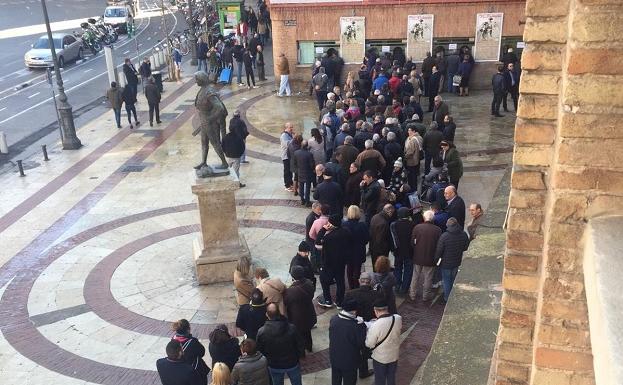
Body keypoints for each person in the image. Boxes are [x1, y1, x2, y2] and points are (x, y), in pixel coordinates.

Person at [256, 303, 305, 385]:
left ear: (267, 314)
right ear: (279, 313)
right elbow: (300, 344)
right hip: (292, 363)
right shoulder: (291, 328)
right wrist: (298, 356)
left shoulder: (262, 332)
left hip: (274, 365)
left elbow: (260, 349)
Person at [329, 298, 367, 385]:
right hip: (350, 362)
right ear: (353, 311)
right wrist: (362, 326)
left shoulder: (333, 319)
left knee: (335, 381)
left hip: (335, 358)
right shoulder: (355, 326)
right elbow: (361, 342)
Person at [316, 214, 351, 308]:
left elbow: (318, 241)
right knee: (340, 281)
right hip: (341, 262)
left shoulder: (329, 238)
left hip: (329, 263)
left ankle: (327, 299)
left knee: (324, 280)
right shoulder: (346, 232)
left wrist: (323, 229)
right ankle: (339, 301)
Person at [365, 299, 402, 385]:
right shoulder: (398, 318)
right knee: (391, 377)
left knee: (380, 380)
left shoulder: (375, 325)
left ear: (375, 311)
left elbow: (369, 344)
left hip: (380, 358)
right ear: (387, 309)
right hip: (394, 355)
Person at [409, 210, 442, 302]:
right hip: (430, 258)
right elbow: (439, 245)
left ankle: (412, 294)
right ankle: (425, 296)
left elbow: (412, 242)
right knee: (428, 277)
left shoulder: (417, 227)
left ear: (424, 218)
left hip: (418, 257)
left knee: (415, 276)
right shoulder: (438, 230)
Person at [436, 217, 470, 304]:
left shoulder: (444, 236)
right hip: (457, 261)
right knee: (453, 279)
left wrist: (436, 259)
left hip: (446, 263)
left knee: (446, 281)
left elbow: (439, 250)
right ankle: (452, 295)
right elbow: (466, 247)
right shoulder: (463, 234)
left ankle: (447, 298)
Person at [284, 265, 317, 352]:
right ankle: (309, 347)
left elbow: (286, 301)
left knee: (299, 336)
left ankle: (301, 352)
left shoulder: (291, 291)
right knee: (307, 333)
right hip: (309, 313)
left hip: (297, 317)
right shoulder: (309, 283)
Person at [171, 319, 210, 385]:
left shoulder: (173, 339)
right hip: (193, 370)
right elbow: (202, 352)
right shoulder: (193, 342)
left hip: (180, 369)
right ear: (188, 330)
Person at [342, 205, 369, 289]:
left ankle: (351, 286)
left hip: (347, 251)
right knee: (357, 270)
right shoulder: (362, 225)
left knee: (349, 269)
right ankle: (356, 286)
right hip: (359, 251)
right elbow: (366, 239)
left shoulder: (344, 224)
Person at [390, 207, 415, 294]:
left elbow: (393, 239)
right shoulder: (412, 224)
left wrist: (393, 249)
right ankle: (405, 288)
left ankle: (397, 285)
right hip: (409, 251)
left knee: (397, 268)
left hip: (398, 251)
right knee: (408, 270)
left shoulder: (394, 224)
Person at [369, 204, 395, 269]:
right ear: (389, 212)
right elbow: (380, 240)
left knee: (375, 268)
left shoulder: (375, 217)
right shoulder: (384, 223)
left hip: (373, 248)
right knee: (381, 270)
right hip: (380, 252)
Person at [222, 122, 246, 188]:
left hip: (229, 156)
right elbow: (242, 147)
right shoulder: (239, 137)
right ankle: (237, 184)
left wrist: (226, 152)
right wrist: (240, 154)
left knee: (229, 169)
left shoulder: (225, 137)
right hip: (236, 156)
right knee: (236, 171)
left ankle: (228, 182)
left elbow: (222, 146)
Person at [293, 140, 316, 206]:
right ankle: (307, 201)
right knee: (307, 187)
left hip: (300, 172)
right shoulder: (309, 154)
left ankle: (302, 200)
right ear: (307, 146)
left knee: (301, 186)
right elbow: (312, 165)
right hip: (308, 173)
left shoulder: (296, 153)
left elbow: (295, 163)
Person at [404, 125, 423, 191]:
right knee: (415, 175)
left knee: (411, 177)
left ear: (414, 131)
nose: (408, 132)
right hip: (417, 160)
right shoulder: (419, 137)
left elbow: (410, 152)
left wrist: (405, 157)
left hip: (411, 161)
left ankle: (412, 190)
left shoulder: (412, 140)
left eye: (409, 130)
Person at [280, 122, 294, 192]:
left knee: (290, 170)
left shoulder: (290, 134)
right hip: (286, 156)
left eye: (292, 127)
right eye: (290, 127)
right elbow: (287, 144)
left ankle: (290, 182)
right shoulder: (284, 135)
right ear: (286, 127)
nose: (292, 128)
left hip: (290, 155)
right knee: (287, 171)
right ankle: (287, 185)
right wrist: (294, 140)